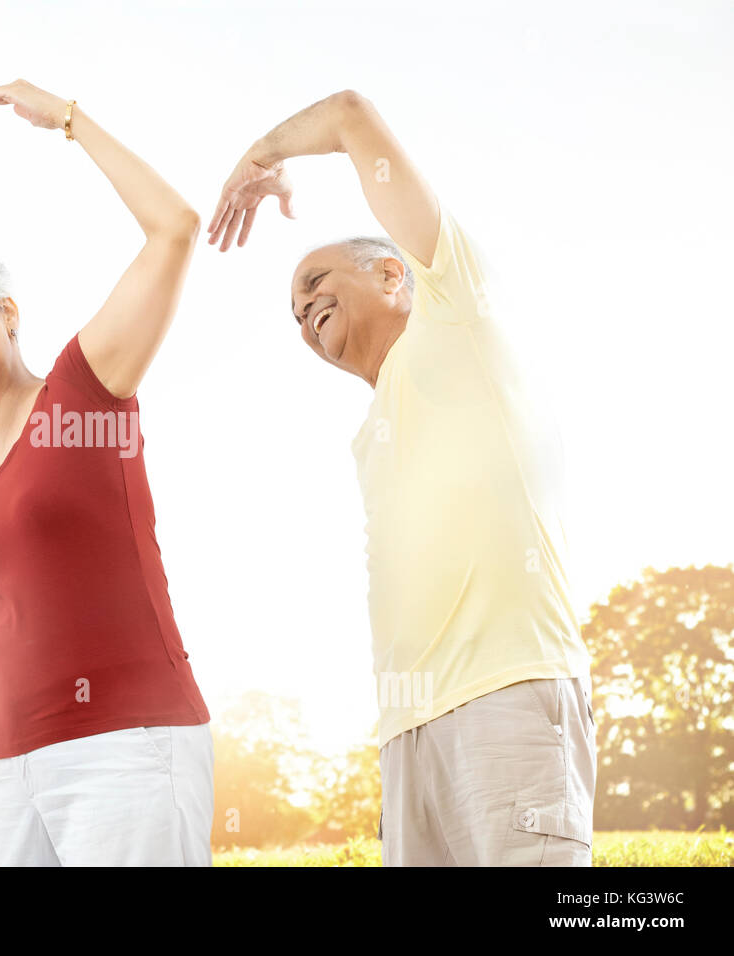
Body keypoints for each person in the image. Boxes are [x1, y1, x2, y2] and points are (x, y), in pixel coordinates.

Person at [207, 89, 596, 866]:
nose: (303, 308)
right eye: (292, 312)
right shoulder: (370, 434)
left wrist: (261, 155)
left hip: (507, 696)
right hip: (409, 733)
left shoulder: (457, 316)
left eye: (316, 282)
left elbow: (353, 115)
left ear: (392, 275)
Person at [0, 79, 213, 866]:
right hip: (3, 769)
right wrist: (10, 703)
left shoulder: (83, 389)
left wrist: (65, 117)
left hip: (126, 749)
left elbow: (174, 229)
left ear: (5, 310)